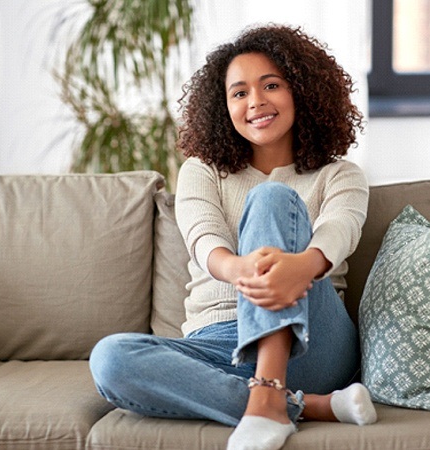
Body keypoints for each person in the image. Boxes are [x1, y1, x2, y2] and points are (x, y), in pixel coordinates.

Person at [89, 24, 377, 450]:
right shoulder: (201, 171)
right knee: (110, 359)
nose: (255, 102)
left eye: (271, 85)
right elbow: (203, 237)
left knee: (271, 198)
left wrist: (304, 266)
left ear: (302, 90)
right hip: (220, 346)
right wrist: (240, 269)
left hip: (314, 341)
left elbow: (341, 228)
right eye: (239, 93)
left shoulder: (340, 175)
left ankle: (268, 396)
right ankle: (302, 406)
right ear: (223, 107)